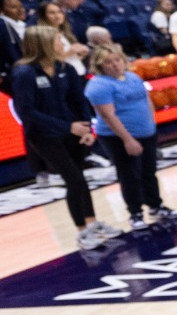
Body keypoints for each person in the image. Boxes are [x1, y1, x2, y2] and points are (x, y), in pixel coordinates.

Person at [11, 24, 115, 247]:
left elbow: (79, 101)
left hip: (73, 131)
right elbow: (27, 112)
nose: (62, 44)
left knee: (80, 179)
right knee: (74, 179)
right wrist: (68, 127)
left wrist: (87, 129)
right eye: (58, 40)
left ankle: (93, 223)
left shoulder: (65, 68)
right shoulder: (24, 73)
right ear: (44, 44)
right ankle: (81, 231)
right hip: (44, 135)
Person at [85, 44, 167, 230]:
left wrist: (151, 124)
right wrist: (127, 139)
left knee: (149, 171)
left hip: (146, 133)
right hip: (118, 137)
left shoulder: (133, 77)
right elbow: (108, 115)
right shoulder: (98, 85)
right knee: (130, 175)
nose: (114, 65)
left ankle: (156, 206)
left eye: (117, 60)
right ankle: (135, 213)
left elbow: (146, 100)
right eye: (108, 62)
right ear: (99, 65)